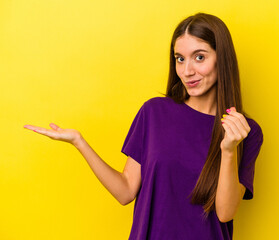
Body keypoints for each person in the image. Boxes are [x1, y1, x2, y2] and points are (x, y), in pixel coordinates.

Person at [24, 12, 264, 240]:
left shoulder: (246, 132)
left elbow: (225, 213)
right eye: (180, 59)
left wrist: (229, 149)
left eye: (199, 57)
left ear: (221, 58)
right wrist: (79, 142)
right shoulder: (154, 112)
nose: (187, 71)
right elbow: (126, 191)